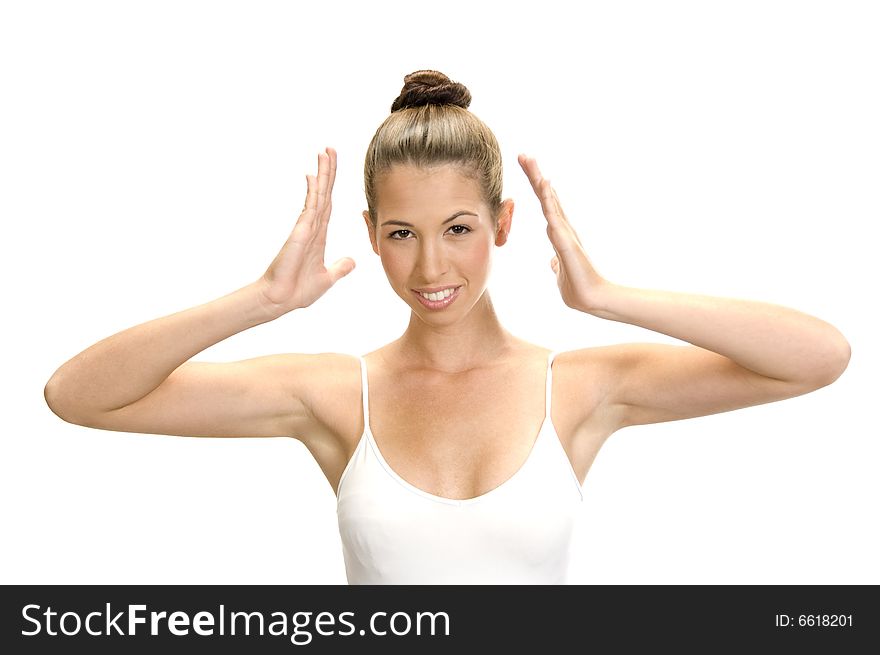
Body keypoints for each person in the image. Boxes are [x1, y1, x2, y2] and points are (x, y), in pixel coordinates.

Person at [43, 69, 851, 585]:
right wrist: (261, 300)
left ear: (503, 223)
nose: (431, 267)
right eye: (403, 233)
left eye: (458, 228)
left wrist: (607, 296)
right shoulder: (332, 393)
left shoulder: (580, 389)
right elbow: (78, 396)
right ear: (371, 233)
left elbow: (818, 357)